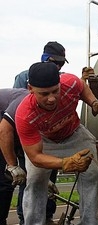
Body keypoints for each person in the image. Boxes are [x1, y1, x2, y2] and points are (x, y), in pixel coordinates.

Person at [15, 62, 98, 225]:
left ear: (60, 84)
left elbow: (82, 88)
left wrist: (93, 102)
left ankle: (89, 222)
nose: (51, 98)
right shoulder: (24, 115)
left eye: (55, 91)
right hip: (44, 142)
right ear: (30, 89)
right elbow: (35, 157)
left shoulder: (70, 82)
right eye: (44, 94)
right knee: (35, 180)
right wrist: (65, 163)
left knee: (91, 174)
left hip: (74, 133)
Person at [13, 41, 69, 225]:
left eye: (61, 64)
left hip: (49, 137)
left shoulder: (60, 80)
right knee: (32, 179)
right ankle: (25, 218)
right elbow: (19, 112)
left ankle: (47, 216)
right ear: (47, 59)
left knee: (50, 176)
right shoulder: (24, 77)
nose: (59, 67)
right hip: (28, 136)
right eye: (57, 62)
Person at [0, 88, 28, 225]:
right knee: (5, 178)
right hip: (3, 123)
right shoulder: (23, 103)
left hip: (15, 129)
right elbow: (4, 131)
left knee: (22, 180)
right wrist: (12, 165)